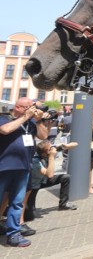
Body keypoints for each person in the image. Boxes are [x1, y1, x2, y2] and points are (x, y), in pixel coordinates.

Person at [0, 97, 48, 247]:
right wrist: (26, 117)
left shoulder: (31, 122)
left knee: (17, 202)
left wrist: (39, 121)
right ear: (18, 107)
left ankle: (13, 234)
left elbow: (43, 136)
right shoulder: (4, 119)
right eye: (29, 107)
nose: (32, 110)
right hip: (4, 167)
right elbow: (5, 130)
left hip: (23, 167)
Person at [29, 140, 77, 211]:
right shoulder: (35, 160)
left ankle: (63, 204)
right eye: (50, 149)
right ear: (44, 153)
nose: (53, 149)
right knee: (29, 215)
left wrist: (65, 146)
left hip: (44, 180)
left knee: (65, 177)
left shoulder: (50, 150)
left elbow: (75, 144)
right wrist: (51, 156)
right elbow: (50, 175)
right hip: (33, 186)